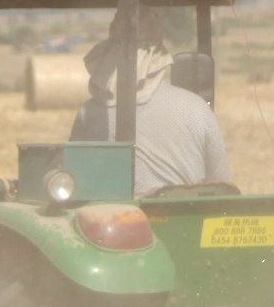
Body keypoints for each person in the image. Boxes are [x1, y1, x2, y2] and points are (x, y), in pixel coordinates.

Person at [68, 12, 230, 195]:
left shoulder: (89, 113)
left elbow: (75, 180)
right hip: (186, 218)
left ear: (110, 51)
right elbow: (221, 186)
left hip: (115, 220)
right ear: (159, 52)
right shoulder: (197, 108)